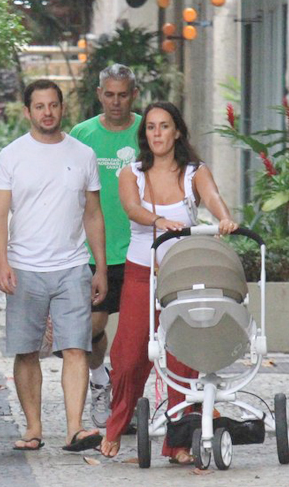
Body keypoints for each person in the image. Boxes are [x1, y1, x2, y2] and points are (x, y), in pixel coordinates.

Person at [100, 101, 238, 463]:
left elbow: (213, 198)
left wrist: (224, 219)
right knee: (129, 356)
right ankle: (116, 425)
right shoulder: (132, 172)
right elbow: (131, 208)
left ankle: (177, 441)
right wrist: (157, 221)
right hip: (141, 272)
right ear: (144, 134)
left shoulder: (194, 171)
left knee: (182, 355)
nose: (157, 134)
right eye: (150, 127)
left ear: (177, 131)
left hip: (182, 276)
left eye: (164, 126)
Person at [0, 79, 108, 452]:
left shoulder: (83, 154)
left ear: (62, 108)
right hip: (24, 267)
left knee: (76, 348)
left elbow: (93, 214)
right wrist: (3, 260)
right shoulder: (11, 156)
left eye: (53, 105)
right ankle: (33, 428)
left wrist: (99, 267)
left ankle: (74, 429)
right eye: (39, 106)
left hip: (73, 266)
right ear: (28, 112)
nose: (47, 112)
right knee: (26, 351)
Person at [69, 64, 141, 428]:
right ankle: (101, 382)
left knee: (135, 337)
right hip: (92, 253)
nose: (116, 102)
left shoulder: (148, 131)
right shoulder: (82, 135)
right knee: (90, 330)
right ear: (99, 94)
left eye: (123, 94)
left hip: (139, 252)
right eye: (109, 94)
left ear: (134, 94)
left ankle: (131, 403)